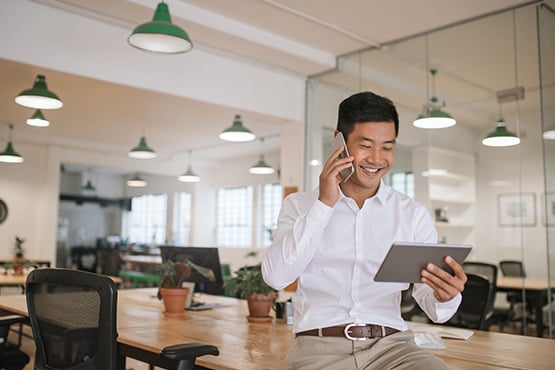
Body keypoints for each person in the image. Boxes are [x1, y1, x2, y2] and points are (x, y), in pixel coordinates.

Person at [262, 91, 467, 370]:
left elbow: (434, 308)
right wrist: (324, 204)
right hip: (321, 349)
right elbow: (276, 277)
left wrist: (446, 296)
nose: (376, 158)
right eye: (366, 145)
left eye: (387, 147)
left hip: (394, 349)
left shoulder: (411, 214)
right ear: (340, 141)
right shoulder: (300, 206)